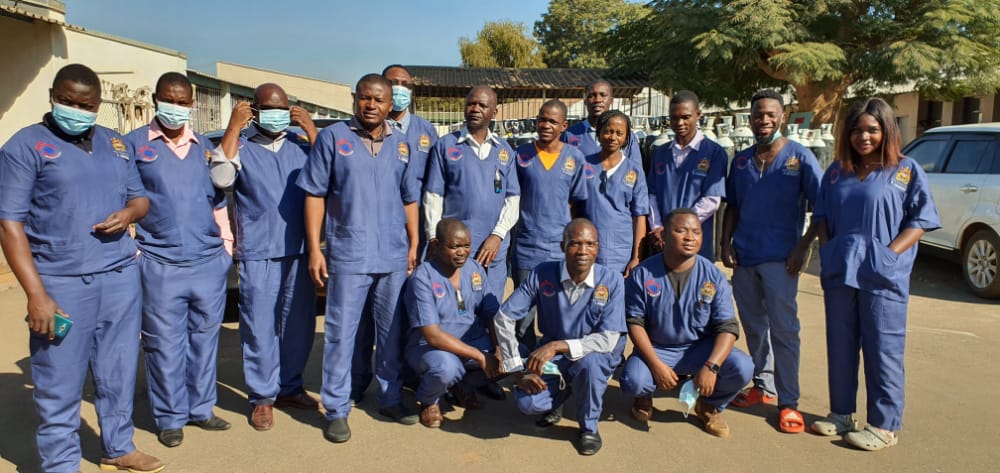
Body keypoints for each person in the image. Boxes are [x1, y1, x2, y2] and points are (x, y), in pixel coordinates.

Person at [0, 63, 164, 473]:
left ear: (97, 104)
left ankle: (118, 446)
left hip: (119, 277)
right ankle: (60, 463)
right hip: (61, 282)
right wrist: (36, 295)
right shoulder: (25, 147)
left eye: (86, 105)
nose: (75, 110)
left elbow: (140, 199)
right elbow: (9, 224)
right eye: (66, 101)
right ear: (53, 97)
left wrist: (129, 214)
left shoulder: (116, 144)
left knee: (118, 370)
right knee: (59, 379)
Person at [297, 73, 421, 443]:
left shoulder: (402, 145)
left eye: (379, 100)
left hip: (393, 254)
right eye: (365, 98)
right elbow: (314, 195)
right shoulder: (334, 138)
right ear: (355, 99)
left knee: (391, 332)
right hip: (349, 254)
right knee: (341, 334)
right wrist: (315, 248)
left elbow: (409, 198)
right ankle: (337, 408)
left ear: (390, 105)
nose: (371, 105)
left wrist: (414, 242)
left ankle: (390, 397)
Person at [810, 97, 939, 451]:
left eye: (872, 129)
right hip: (841, 269)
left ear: (887, 131)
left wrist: (889, 254)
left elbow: (921, 219)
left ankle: (883, 425)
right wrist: (828, 249)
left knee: (883, 348)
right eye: (856, 130)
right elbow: (821, 215)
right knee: (840, 344)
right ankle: (841, 414)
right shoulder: (837, 171)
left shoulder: (905, 170)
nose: (863, 137)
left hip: (882, 274)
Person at [125, 72, 233, 448]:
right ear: (156, 100)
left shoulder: (205, 148)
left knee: (204, 340)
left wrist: (226, 249)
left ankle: (201, 408)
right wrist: (136, 253)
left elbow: (218, 202)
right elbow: (119, 201)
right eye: (168, 100)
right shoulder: (134, 146)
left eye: (182, 102)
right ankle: (170, 417)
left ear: (191, 105)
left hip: (207, 263)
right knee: (164, 344)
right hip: (160, 263)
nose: (175, 107)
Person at [209, 83, 320, 431]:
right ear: (254, 111)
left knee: (298, 325)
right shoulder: (241, 146)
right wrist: (233, 126)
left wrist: (312, 130)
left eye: (282, 108)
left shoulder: (301, 146)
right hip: (258, 251)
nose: (276, 114)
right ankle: (262, 397)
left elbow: (334, 174)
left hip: (298, 249)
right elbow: (221, 177)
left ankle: (290, 387)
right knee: (258, 326)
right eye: (268, 108)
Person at [719, 89, 823, 433]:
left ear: (782, 117)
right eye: (757, 115)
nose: (763, 120)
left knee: (784, 330)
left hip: (781, 258)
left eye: (769, 114)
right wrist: (725, 242)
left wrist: (803, 246)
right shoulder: (742, 161)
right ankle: (764, 387)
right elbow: (733, 205)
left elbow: (820, 208)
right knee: (754, 327)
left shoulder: (800, 157)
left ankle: (789, 402)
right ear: (750, 119)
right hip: (745, 257)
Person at [494, 219, 626, 456]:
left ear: (597, 248)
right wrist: (516, 370)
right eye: (575, 243)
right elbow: (504, 317)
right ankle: (561, 394)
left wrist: (557, 345)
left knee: (590, 365)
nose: (583, 251)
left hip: (594, 354)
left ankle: (588, 427)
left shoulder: (612, 281)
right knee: (527, 402)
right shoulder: (542, 273)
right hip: (554, 354)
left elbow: (608, 339)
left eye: (590, 244)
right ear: (563, 246)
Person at [350, 65, 441, 405]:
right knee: (362, 319)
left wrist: (423, 239)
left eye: (405, 84)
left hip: (412, 238)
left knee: (404, 314)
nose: (400, 89)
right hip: (367, 236)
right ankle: (356, 381)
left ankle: (404, 380)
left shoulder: (425, 132)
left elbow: (430, 188)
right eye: (394, 83)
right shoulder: (357, 133)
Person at [620, 208, 752, 438]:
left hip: (700, 349)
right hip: (658, 348)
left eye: (696, 232)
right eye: (681, 231)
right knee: (633, 381)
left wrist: (711, 366)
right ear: (664, 235)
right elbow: (635, 323)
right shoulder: (643, 273)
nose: (690, 237)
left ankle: (709, 405)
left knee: (743, 367)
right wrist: (656, 365)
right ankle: (644, 397)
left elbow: (728, 327)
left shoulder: (712, 275)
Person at [424, 85, 520, 298]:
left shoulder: (504, 150)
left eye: (482, 105)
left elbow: (513, 198)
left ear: (494, 112)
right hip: (454, 248)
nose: (475, 109)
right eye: (471, 104)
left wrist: (497, 235)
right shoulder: (446, 146)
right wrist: (434, 237)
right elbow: (433, 196)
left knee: (489, 305)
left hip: (492, 248)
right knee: (455, 304)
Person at [404, 218, 501, 428]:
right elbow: (432, 336)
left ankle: (462, 387)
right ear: (437, 245)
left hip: (470, 340)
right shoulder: (423, 278)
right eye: (455, 246)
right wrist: (479, 356)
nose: (462, 252)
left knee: (515, 356)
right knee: (447, 368)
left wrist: (499, 348)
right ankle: (429, 400)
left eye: (466, 246)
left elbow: (492, 314)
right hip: (429, 348)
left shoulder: (474, 269)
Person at [511, 99, 588, 345]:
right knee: (523, 313)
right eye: (542, 119)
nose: (546, 125)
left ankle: (553, 359)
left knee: (559, 309)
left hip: (559, 247)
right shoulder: (521, 155)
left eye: (553, 121)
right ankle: (524, 359)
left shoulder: (575, 157)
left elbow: (578, 204)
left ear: (564, 126)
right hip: (527, 245)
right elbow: (511, 198)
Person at [647, 90, 727, 261]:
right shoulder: (661, 153)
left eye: (686, 117)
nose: (679, 123)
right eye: (674, 118)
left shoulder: (714, 153)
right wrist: (658, 227)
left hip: (696, 246)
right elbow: (651, 195)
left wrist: (679, 229)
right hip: (663, 243)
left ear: (698, 115)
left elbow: (712, 200)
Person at [580, 110, 649, 276]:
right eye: (609, 131)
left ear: (626, 138)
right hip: (587, 250)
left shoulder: (634, 171)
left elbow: (639, 216)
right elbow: (572, 207)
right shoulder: (583, 166)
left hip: (620, 253)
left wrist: (636, 257)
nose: (613, 137)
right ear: (599, 132)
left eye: (619, 133)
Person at [562, 80, 641, 163]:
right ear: (585, 100)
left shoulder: (627, 136)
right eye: (592, 95)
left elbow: (636, 168)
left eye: (603, 95)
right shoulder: (569, 135)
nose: (597, 100)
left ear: (611, 100)